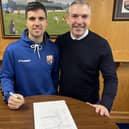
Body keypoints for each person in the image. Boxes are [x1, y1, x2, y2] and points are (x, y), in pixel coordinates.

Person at [55, 0, 118, 117]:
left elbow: (111, 78)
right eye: (74, 16)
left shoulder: (101, 44)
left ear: (90, 19)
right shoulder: (60, 41)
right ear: (67, 18)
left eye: (84, 16)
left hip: (91, 105)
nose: (79, 21)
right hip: (63, 103)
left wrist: (105, 105)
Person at [0, 2, 59, 110]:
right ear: (26, 22)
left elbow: (55, 77)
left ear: (46, 22)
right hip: (22, 105)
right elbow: (6, 77)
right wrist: (9, 95)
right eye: (32, 19)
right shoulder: (12, 50)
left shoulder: (54, 48)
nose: (37, 23)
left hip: (49, 104)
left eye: (41, 18)